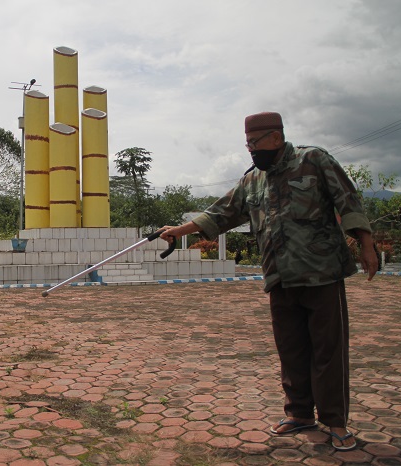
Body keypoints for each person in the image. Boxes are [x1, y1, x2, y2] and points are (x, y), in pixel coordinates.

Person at [160, 111, 378, 451]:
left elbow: (347, 199)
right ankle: (300, 414)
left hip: (321, 274)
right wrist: (178, 231)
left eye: (255, 143)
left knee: (327, 351)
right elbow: (221, 213)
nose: (251, 150)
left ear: (276, 137)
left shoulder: (313, 160)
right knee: (291, 350)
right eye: (247, 143)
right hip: (279, 276)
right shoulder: (253, 181)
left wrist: (366, 244)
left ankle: (335, 421)